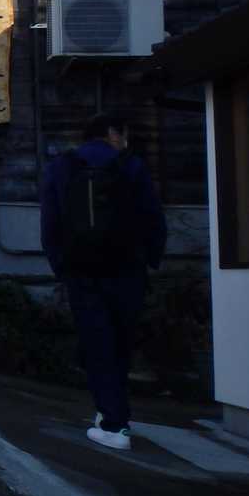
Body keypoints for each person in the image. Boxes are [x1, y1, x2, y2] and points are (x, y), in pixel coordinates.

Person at [41, 112, 166, 451]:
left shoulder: (61, 167)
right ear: (113, 132)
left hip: (82, 271)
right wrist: (151, 259)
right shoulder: (132, 166)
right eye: (123, 134)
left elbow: (50, 223)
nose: (125, 141)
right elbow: (153, 217)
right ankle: (114, 416)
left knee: (97, 343)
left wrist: (61, 267)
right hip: (127, 270)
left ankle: (113, 421)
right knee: (121, 343)